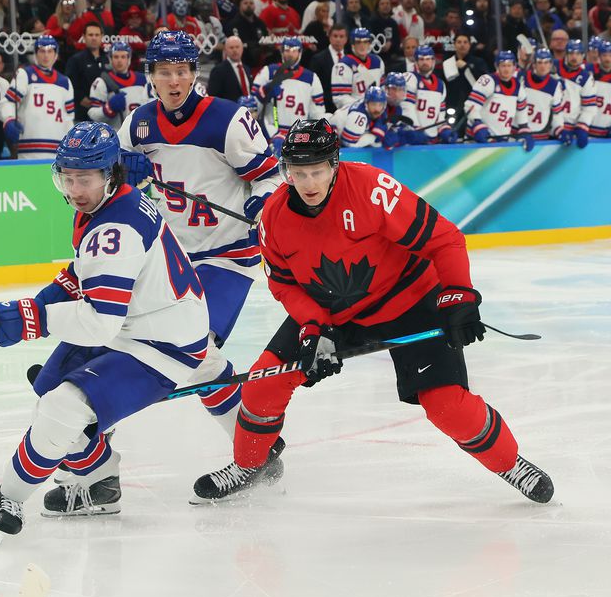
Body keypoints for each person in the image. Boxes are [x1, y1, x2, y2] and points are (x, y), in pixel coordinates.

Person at [192, 118, 554, 505]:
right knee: (263, 384)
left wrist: (458, 295)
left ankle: (510, 463)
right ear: (286, 172)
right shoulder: (275, 217)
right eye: (299, 173)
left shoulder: (369, 188)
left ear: (334, 165)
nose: (309, 182)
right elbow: (284, 284)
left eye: (317, 171)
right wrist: (315, 330)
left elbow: (444, 239)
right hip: (332, 310)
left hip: (409, 301)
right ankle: (252, 465)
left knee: (447, 405)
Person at [0, 123, 210, 530]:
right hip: (141, 322)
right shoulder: (110, 204)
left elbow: (100, 323)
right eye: (66, 178)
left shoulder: (113, 230)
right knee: (50, 393)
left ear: (109, 174)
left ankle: (11, 497)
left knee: (62, 407)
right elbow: (81, 275)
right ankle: (101, 482)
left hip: (162, 343)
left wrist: (31, 319)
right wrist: (34, 306)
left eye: (84, 178)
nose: (73, 190)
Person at [116, 31, 283, 441]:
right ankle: (94, 457)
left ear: (195, 73)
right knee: (128, 339)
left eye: (182, 71)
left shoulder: (228, 119)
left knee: (196, 348)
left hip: (228, 256)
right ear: (151, 76)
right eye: (164, 72)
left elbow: (271, 179)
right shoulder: (138, 124)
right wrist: (124, 175)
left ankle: (255, 447)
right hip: (171, 258)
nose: (174, 82)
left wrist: (260, 202)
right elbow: (111, 176)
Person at [0, 35, 76, 160]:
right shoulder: (25, 74)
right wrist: (8, 119)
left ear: (56, 54)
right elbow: (9, 102)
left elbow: (68, 119)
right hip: (29, 150)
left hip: (58, 151)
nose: (46, 55)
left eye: (50, 51)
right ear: (35, 53)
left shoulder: (65, 82)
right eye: (42, 51)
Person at [251, 37, 325, 156]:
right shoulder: (268, 72)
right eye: (287, 50)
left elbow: (317, 113)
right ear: (281, 52)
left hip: (299, 137)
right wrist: (265, 92)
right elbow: (252, 108)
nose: (290, 54)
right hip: (271, 135)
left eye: (294, 50)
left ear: (300, 53)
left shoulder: (311, 78)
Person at [465, 50, 528, 143]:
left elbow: (522, 112)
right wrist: (477, 124)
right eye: (503, 65)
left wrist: (524, 130)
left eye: (509, 65)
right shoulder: (488, 81)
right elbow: (471, 105)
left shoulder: (518, 87)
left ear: (514, 67)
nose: (506, 69)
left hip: (501, 140)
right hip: (479, 138)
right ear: (497, 66)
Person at [86, 40, 151, 130]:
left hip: (140, 134)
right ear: (110, 59)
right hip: (115, 136)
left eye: (123, 57)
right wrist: (108, 108)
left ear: (129, 58)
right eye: (116, 57)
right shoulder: (101, 82)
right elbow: (92, 115)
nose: (119, 60)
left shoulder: (143, 79)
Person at [403, 44, 454, 142]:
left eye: (428, 59)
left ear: (433, 61)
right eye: (421, 59)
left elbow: (440, 114)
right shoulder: (410, 78)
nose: (425, 62)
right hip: (413, 137)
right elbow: (407, 108)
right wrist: (415, 128)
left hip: (432, 140)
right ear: (416, 62)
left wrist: (444, 129)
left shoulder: (441, 85)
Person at [518, 48, 567, 142]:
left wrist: (559, 130)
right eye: (540, 62)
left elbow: (556, 114)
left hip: (540, 139)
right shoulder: (521, 78)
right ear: (534, 64)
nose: (543, 66)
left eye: (546, 62)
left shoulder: (555, 85)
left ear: (551, 64)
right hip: (517, 135)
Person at [331, 27, 385, 109]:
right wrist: (363, 106)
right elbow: (340, 98)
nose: (362, 45)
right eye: (358, 42)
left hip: (377, 109)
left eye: (365, 42)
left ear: (370, 43)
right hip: (354, 112)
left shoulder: (377, 61)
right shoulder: (343, 65)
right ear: (352, 44)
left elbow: (382, 89)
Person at [65, 23, 109, 114]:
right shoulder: (75, 60)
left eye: (97, 35)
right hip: (83, 113)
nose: (94, 38)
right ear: (84, 37)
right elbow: (69, 84)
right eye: (90, 35)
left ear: (102, 37)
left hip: (107, 113)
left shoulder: (109, 59)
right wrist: (80, 98)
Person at [557, 40, 593, 149]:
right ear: (566, 55)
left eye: (578, 54)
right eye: (571, 53)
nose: (574, 57)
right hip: (551, 128)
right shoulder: (553, 67)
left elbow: (589, 107)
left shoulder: (586, 77)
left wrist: (582, 127)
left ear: (583, 56)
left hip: (570, 130)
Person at [311, 24, 349, 113]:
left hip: (347, 107)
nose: (338, 39)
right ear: (330, 37)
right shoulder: (318, 59)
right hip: (326, 108)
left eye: (341, 36)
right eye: (335, 36)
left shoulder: (351, 58)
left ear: (346, 39)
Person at [578, 37, 611, 141]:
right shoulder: (587, 70)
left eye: (610, 55)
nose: (607, 59)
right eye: (604, 55)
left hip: (606, 128)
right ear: (599, 56)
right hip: (586, 127)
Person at [205, 35, 252, 102]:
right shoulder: (218, 71)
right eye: (231, 48)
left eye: (237, 47)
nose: (235, 50)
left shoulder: (247, 69)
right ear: (226, 50)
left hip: (248, 110)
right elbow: (213, 97)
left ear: (242, 49)